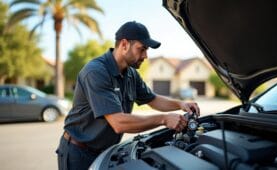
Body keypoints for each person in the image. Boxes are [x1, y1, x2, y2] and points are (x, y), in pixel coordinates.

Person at [56, 21, 200, 170]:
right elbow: (119, 123)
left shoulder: (131, 74)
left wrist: (180, 104)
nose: (145, 55)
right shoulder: (96, 72)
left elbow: (153, 99)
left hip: (105, 152)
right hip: (79, 154)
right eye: (142, 49)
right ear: (124, 45)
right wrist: (164, 119)